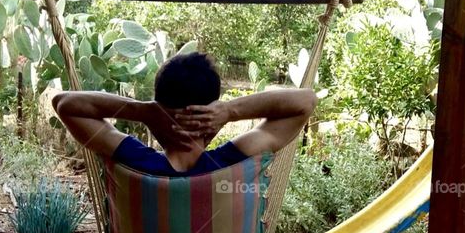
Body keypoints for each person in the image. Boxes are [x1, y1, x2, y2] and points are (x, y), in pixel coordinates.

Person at [52, 52, 316, 176]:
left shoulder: (132, 161)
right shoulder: (235, 161)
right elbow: (306, 101)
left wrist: (144, 111)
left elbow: (64, 104)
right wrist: (229, 111)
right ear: (212, 113)